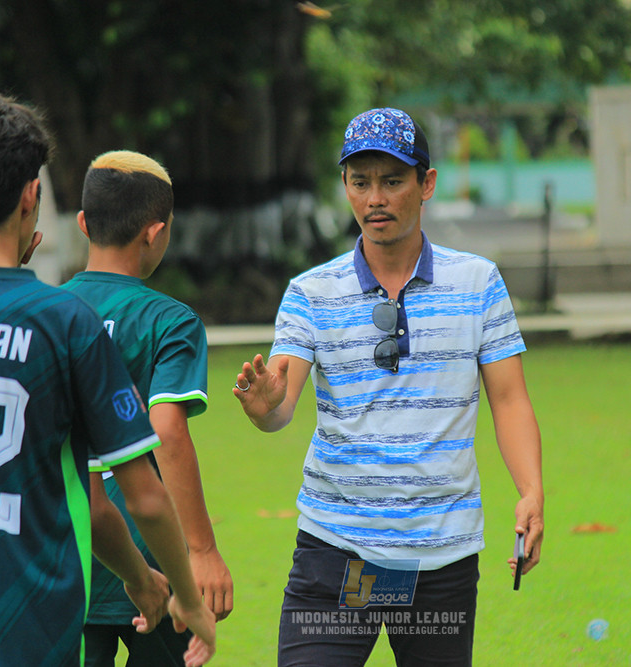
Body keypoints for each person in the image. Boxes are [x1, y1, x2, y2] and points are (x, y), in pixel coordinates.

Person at [0, 89, 215, 667]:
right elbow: (137, 498)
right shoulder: (65, 324)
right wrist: (175, 591)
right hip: (27, 630)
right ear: (32, 196)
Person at [233, 107, 544, 666]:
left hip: (440, 558)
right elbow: (280, 405)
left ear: (425, 184)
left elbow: (509, 399)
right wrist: (264, 408)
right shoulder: (311, 292)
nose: (374, 198)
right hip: (338, 550)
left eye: (392, 181)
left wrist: (530, 490)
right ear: (346, 188)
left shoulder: (477, 283)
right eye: (360, 182)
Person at [61, 150, 234, 666]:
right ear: (156, 233)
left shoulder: (46, 314)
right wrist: (201, 551)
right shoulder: (170, 320)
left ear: (83, 224)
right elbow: (169, 431)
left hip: (71, 562)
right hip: (159, 563)